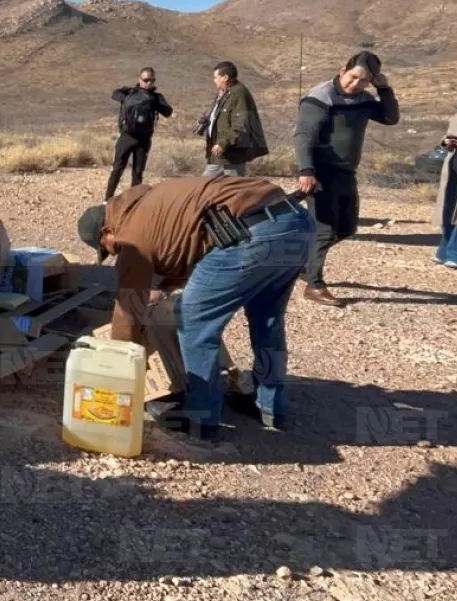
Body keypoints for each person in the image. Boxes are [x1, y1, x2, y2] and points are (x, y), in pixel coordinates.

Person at [77, 176, 315, 443]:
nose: (114, 253)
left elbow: (128, 309)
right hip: (296, 223)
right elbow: (194, 248)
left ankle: (201, 417)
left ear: (107, 231)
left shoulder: (131, 233)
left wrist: (118, 362)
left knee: (193, 321)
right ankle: (270, 405)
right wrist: (165, 286)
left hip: (253, 233)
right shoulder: (157, 201)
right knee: (267, 320)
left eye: (107, 249)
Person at [293, 50, 400, 307]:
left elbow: (390, 118)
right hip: (321, 171)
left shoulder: (363, 99)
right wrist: (306, 170)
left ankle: (306, 265)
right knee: (324, 228)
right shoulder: (320, 97)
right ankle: (314, 285)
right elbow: (303, 136)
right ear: (343, 70)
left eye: (364, 81)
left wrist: (384, 89)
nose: (355, 84)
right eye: (352, 77)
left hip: (346, 171)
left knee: (347, 228)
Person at [105, 67, 173, 200]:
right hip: (127, 136)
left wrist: (153, 101)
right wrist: (132, 97)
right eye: (145, 80)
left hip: (143, 139)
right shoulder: (129, 92)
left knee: (138, 172)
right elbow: (114, 94)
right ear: (139, 79)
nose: (148, 83)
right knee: (117, 169)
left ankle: (133, 201)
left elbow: (168, 112)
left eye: (151, 80)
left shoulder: (156, 97)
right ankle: (107, 200)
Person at [202, 61, 267, 177]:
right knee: (206, 186)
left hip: (232, 154)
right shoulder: (224, 94)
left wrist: (222, 143)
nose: (214, 80)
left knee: (233, 189)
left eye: (216, 77)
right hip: (220, 154)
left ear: (225, 77)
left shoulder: (239, 93)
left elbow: (240, 125)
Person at [433, 85, 457, 268]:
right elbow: (447, 137)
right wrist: (447, 142)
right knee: (449, 210)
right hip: (455, 168)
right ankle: (445, 252)